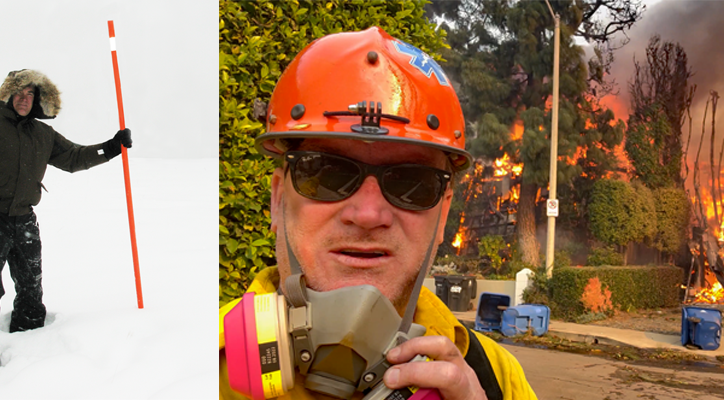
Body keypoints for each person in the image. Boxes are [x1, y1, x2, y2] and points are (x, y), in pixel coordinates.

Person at [218, 27, 534, 399]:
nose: (368, 214)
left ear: (443, 213)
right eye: (325, 172)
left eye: (412, 183)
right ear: (277, 199)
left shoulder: (493, 376)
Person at [0, 69, 133, 378]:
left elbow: (74, 157)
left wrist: (111, 148)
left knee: (31, 283)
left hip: (24, 218)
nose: (24, 100)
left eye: (30, 95)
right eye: (19, 94)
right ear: (7, 96)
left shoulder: (42, 134)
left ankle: (28, 339)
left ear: (38, 101)